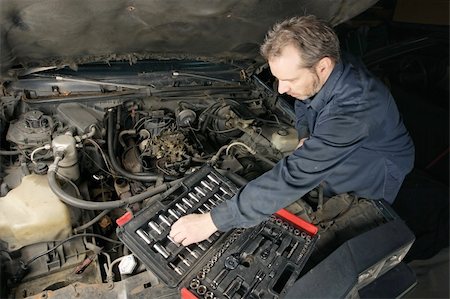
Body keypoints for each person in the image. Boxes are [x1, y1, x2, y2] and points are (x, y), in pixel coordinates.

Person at [169, 15, 414, 246]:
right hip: (341, 139)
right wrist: (305, 134)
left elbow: (295, 175)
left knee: (355, 215)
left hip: (375, 165)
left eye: (290, 80)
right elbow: (305, 102)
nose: (281, 90)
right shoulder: (324, 66)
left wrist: (212, 221)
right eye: (278, 79)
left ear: (323, 67)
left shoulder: (355, 107)